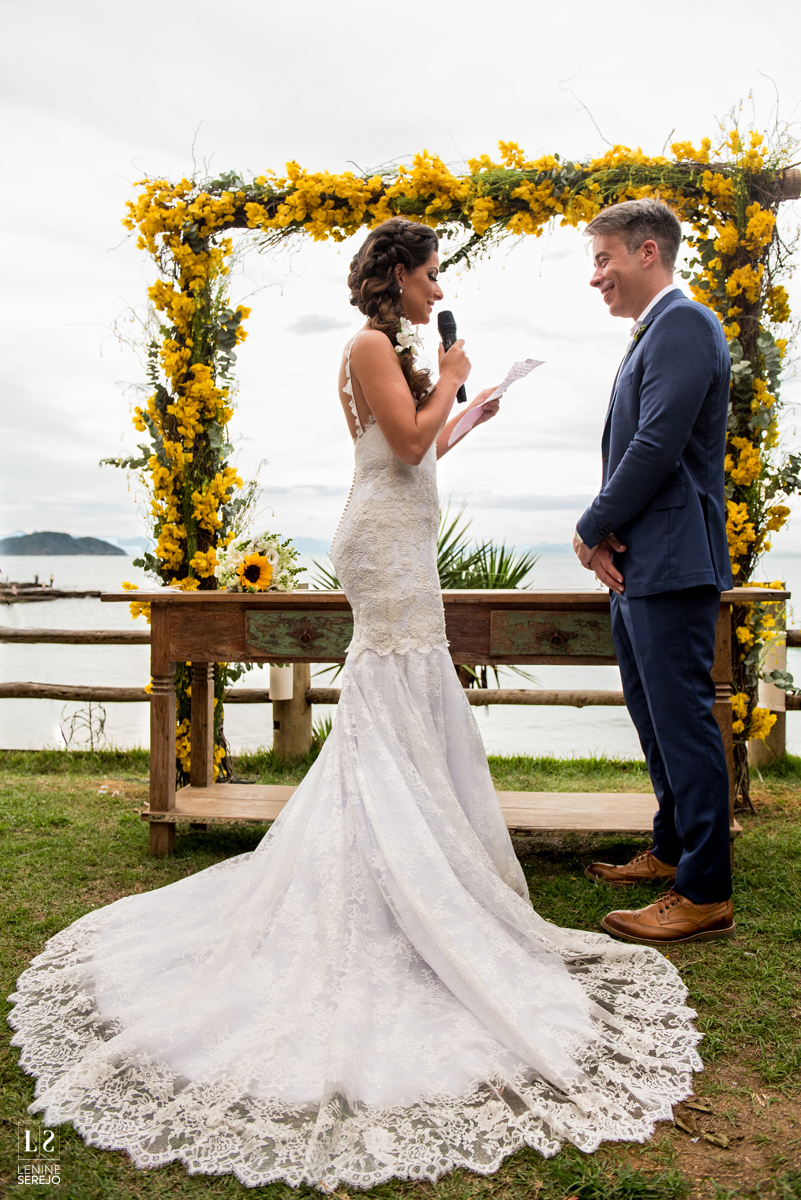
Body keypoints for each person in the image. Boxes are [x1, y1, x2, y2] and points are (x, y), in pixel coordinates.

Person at [10, 218, 701, 1192]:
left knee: (407, 699)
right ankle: (379, 876)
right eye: (430, 274)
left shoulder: (395, 350)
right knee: (395, 686)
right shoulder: (370, 347)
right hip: (381, 546)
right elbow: (404, 440)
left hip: (401, 527)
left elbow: (418, 452)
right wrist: (454, 374)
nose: (436, 287)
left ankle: (412, 861)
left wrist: (473, 412)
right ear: (400, 277)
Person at [573, 198, 736, 947]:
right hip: (640, 564)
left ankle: (702, 891)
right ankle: (671, 849)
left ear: (647, 253)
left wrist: (589, 526)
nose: (595, 276)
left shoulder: (684, 324)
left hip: (672, 561)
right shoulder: (656, 332)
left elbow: (657, 443)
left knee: (682, 721)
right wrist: (610, 541)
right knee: (653, 719)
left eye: (603, 259)